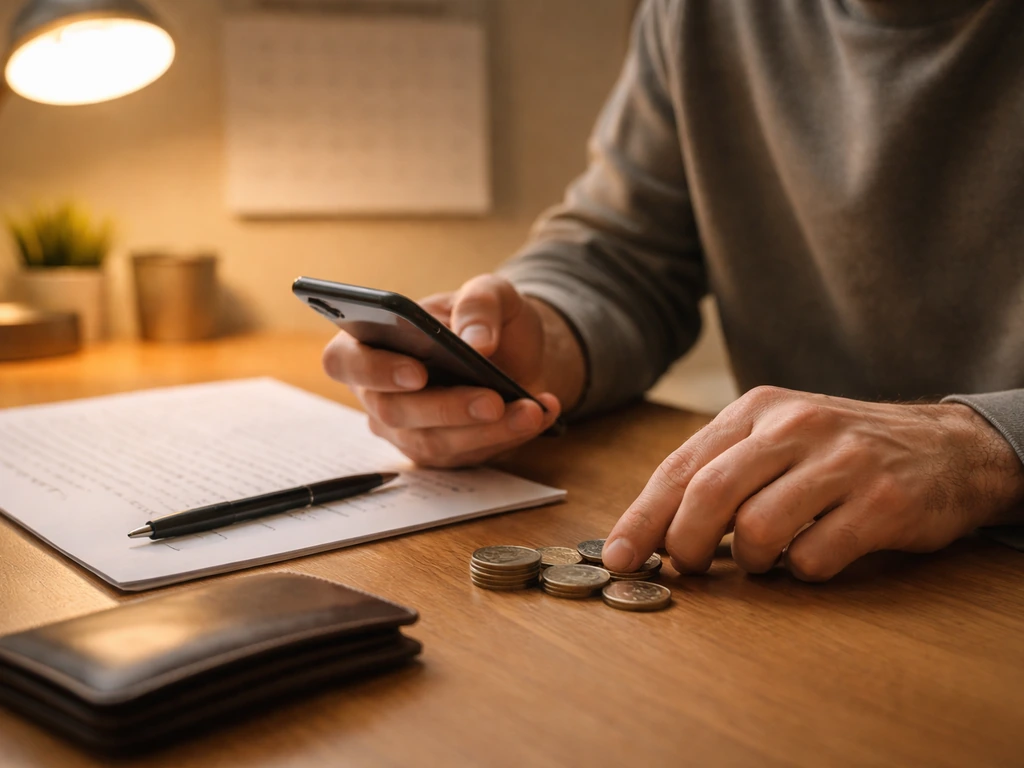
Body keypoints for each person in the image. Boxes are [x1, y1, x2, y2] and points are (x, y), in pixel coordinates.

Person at [322, 0, 1024, 581]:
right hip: (797, 583)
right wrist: (540, 342)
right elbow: (624, 250)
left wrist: (983, 450)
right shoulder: (695, 15)